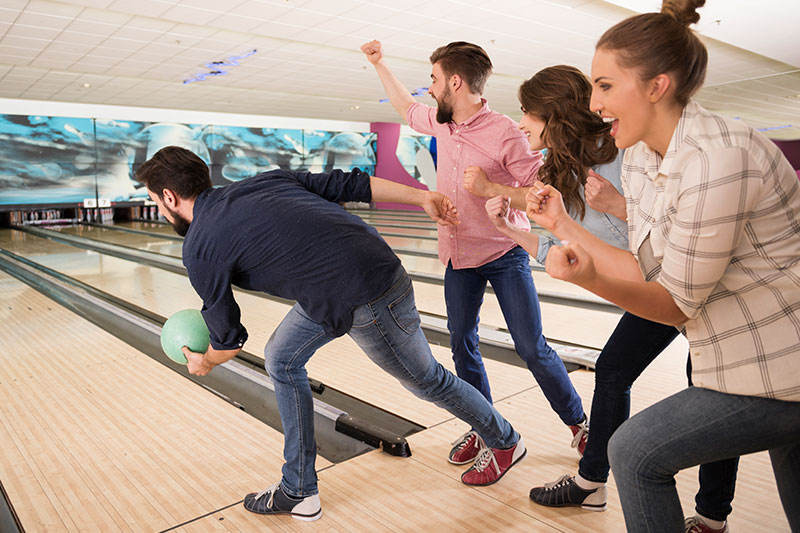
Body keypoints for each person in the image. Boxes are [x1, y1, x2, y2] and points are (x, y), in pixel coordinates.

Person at [136, 146, 526, 522]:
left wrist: (203, 361)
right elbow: (349, 184)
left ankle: (504, 440)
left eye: (155, 200)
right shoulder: (261, 182)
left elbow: (229, 339)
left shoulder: (200, 246)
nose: (158, 207)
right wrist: (422, 196)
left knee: (428, 380)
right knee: (282, 358)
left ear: (169, 196)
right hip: (352, 275)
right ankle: (299, 490)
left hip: (367, 295)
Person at [524, 1, 800, 531]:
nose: (595, 103)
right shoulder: (649, 156)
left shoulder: (717, 158)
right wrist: (563, 226)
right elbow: (644, 268)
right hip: (744, 362)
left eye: (604, 86)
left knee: (633, 452)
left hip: (780, 368)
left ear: (656, 86)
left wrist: (589, 277)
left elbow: (672, 301)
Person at [475, 65, 740, 530]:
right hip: (652, 288)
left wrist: (620, 206)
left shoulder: (627, 157)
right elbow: (569, 246)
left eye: (527, 112)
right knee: (616, 369)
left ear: (554, 115)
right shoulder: (560, 170)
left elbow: (678, 227)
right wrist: (508, 231)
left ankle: (711, 517)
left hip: (699, 286)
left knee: (712, 391)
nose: (520, 122)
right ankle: (592, 482)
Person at [361, 39, 588, 465]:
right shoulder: (443, 122)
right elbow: (407, 108)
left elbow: (540, 195)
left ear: (455, 82)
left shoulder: (505, 132)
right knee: (462, 346)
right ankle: (487, 430)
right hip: (457, 256)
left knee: (531, 347)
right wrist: (380, 64)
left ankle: (579, 425)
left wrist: (491, 190)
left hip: (505, 253)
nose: (429, 88)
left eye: (434, 79)